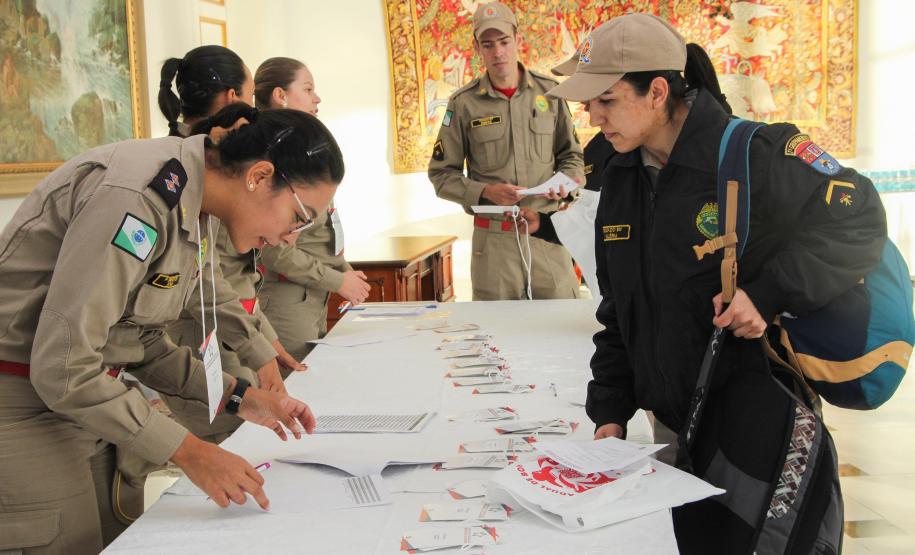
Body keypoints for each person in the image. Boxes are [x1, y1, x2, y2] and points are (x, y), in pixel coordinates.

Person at [548, 13, 885, 553]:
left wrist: (766, 293)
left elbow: (859, 218)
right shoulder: (621, 175)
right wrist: (610, 411)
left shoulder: (755, 154)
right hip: (673, 428)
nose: (593, 116)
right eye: (589, 102)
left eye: (606, 100)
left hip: (756, 424)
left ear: (658, 92)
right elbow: (620, 310)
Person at [0, 106, 344, 553]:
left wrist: (239, 396)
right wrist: (191, 452)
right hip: (25, 405)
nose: (291, 237)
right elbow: (63, 366)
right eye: (300, 217)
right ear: (259, 176)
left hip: (87, 401)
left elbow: (138, 342)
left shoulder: (196, 208)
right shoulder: (139, 199)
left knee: (116, 539)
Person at [428, 1, 584, 300]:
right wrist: (485, 191)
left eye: (504, 41)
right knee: (497, 327)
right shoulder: (463, 104)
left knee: (561, 322)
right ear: (477, 48)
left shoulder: (550, 93)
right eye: (488, 45)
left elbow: (572, 157)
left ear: (518, 40)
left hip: (546, 236)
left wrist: (566, 186)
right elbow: (441, 175)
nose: (498, 52)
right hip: (494, 246)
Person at [253, 57, 370, 361]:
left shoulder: (301, 150)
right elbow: (272, 249)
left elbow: (318, 232)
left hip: (313, 294)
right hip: (286, 299)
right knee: (293, 381)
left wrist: (344, 272)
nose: (317, 98)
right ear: (280, 95)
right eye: (307, 89)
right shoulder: (268, 158)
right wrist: (338, 280)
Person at [158, 45, 254, 137]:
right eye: (252, 94)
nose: (253, 106)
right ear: (232, 97)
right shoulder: (237, 147)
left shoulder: (155, 146)